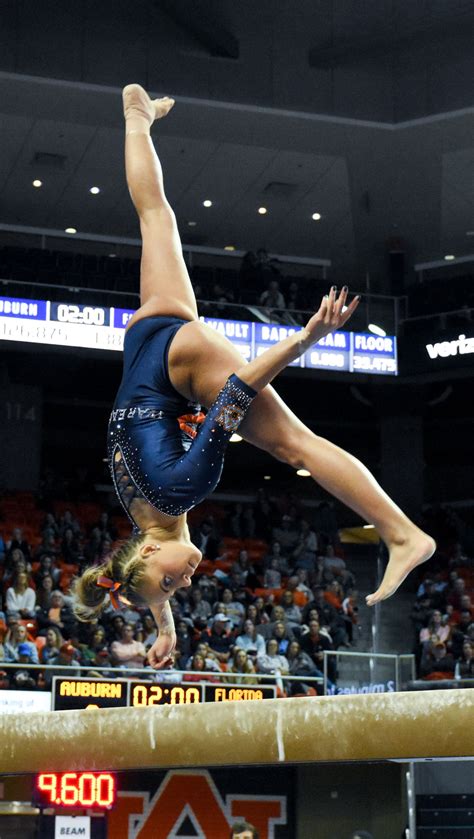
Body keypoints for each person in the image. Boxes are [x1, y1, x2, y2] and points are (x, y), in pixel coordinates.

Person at [71, 83, 435, 670]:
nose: (183, 586)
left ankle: (401, 533)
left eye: (170, 587)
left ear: (144, 559)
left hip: (184, 364)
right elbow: (152, 565)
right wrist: (163, 625)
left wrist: (304, 339)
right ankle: (137, 114)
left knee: (298, 446)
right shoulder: (146, 515)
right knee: (153, 216)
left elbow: (238, 393)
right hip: (147, 342)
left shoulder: (179, 491)